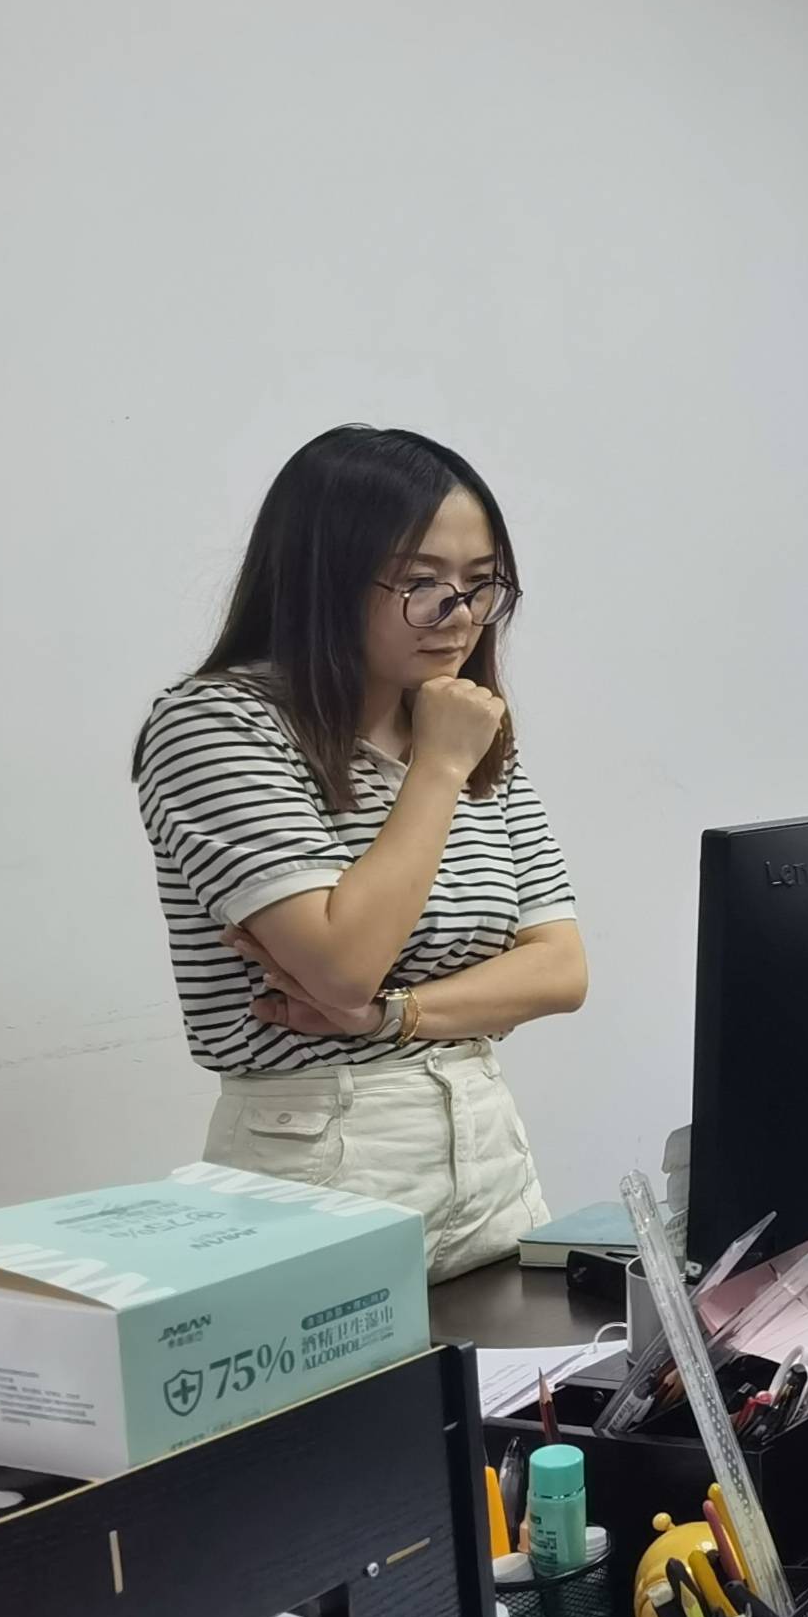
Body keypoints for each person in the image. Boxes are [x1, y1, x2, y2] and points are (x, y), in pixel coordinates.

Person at [134, 427, 585, 1276]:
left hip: (486, 1145)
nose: (460, 614)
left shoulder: (462, 722)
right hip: (318, 1152)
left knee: (530, 1365)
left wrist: (391, 1015)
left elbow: (560, 970)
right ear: (324, 575)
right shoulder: (216, 724)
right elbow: (345, 963)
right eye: (422, 583)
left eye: (481, 584)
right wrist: (439, 768)